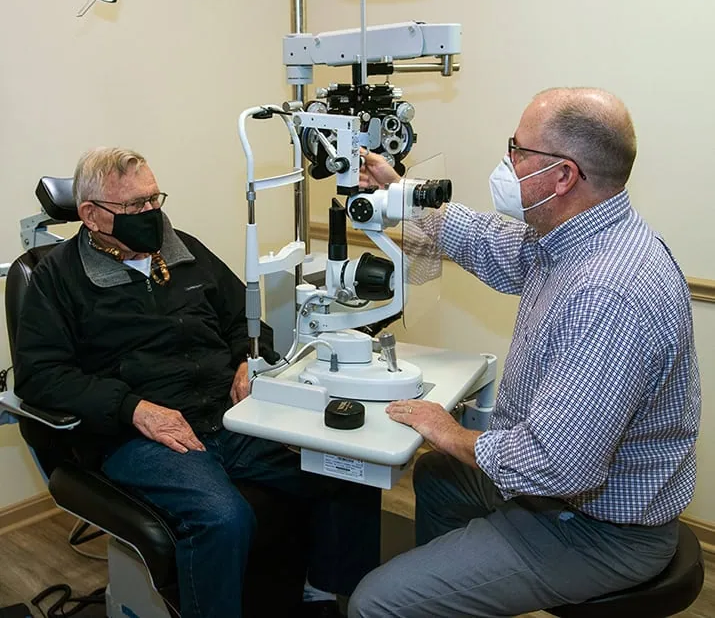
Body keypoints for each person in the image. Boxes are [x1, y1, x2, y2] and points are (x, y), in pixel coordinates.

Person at [349, 87, 701, 617]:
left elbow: (556, 467)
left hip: (595, 529)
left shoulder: (607, 292)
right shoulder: (578, 238)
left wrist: (450, 431)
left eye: (517, 151)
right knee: (439, 479)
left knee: (375, 603)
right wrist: (401, 192)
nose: (507, 164)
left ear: (562, 176)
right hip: (571, 496)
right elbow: (491, 241)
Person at [14, 147, 380, 618]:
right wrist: (133, 409)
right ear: (91, 215)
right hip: (140, 431)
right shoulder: (56, 278)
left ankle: (324, 595)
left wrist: (251, 358)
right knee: (223, 519)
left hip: (227, 412)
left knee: (346, 470)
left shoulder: (181, 248)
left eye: (154, 199)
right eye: (134, 206)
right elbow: (42, 377)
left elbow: (244, 323)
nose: (151, 214)